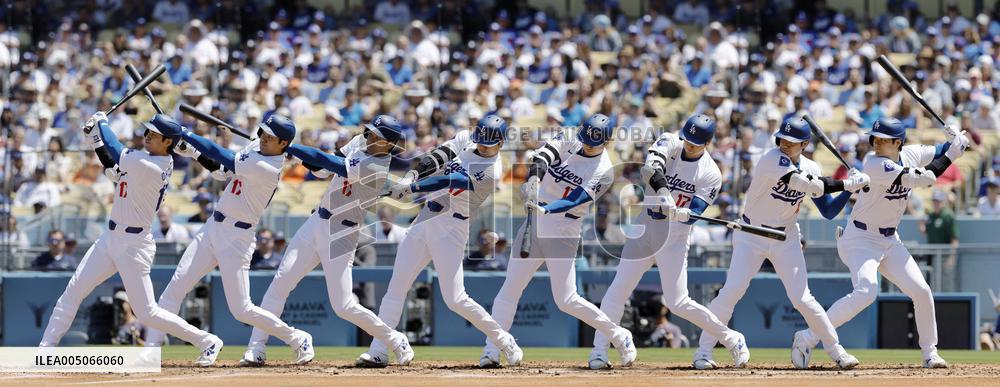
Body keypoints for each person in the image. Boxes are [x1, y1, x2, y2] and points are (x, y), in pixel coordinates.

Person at [40, 112, 222, 366]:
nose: (146, 136)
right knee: (73, 291)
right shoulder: (144, 161)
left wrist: (102, 124)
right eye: (146, 132)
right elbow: (111, 165)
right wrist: (96, 140)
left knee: (147, 312)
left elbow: (115, 150)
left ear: (167, 142)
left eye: (154, 134)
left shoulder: (150, 164)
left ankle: (206, 340)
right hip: (111, 237)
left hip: (134, 245)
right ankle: (45, 350)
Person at [794, 118, 971, 369]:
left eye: (883, 139)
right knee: (866, 292)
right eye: (874, 138)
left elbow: (940, 151)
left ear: (898, 142)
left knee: (922, 292)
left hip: (889, 240)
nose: (876, 142)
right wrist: (954, 152)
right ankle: (808, 337)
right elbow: (927, 179)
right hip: (859, 239)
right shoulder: (874, 163)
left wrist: (954, 139)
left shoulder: (910, 153)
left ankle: (930, 353)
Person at [695, 117, 868, 370]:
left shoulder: (812, 166)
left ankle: (836, 350)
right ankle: (703, 352)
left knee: (803, 299)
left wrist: (848, 190)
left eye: (792, 143)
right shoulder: (771, 159)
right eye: (783, 140)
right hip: (752, 233)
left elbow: (828, 211)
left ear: (805, 144)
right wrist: (847, 183)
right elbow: (808, 185)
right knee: (731, 292)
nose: (785, 145)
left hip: (786, 236)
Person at [241, 115, 413, 367]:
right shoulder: (360, 142)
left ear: (390, 144)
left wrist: (289, 146)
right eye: (370, 132)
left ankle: (396, 339)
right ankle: (256, 347)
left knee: (343, 305)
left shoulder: (377, 166)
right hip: (317, 221)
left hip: (342, 232)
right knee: (281, 282)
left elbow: (330, 163)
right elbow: (322, 169)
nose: (370, 138)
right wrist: (293, 153)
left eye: (378, 137)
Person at [144, 115, 315, 365]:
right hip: (213, 226)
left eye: (270, 137)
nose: (263, 139)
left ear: (283, 144)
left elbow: (223, 157)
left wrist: (187, 135)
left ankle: (297, 338)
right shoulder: (256, 150)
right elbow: (221, 172)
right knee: (176, 286)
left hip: (238, 237)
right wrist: (193, 152)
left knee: (241, 309)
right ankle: (152, 348)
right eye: (262, 133)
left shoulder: (269, 167)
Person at [362, 115, 523, 368]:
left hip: (452, 226)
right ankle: (379, 349)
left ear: (501, 143)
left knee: (455, 299)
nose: (481, 146)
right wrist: (411, 175)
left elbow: (450, 181)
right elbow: (438, 156)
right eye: (479, 140)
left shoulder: (492, 171)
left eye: (488, 143)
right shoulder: (466, 138)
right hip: (426, 217)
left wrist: (411, 188)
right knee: (397, 285)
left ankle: (503, 339)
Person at [589, 115, 748, 370]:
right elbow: (651, 168)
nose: (689, 145)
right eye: (688, 140)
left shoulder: (711, 174)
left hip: (673, 239)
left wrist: (684, 214)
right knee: (617, 291)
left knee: (678, 302)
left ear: (708, 143)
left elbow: (696, 209)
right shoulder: (671, 140)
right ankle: (599, 351)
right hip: (644, 230)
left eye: (696, 143)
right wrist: (664, 194)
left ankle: (731, 338)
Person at [482, 114, 637, 369]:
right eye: (585, 138)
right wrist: (533, 180)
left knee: (566, 299)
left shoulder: (604, 170)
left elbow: (576, 198)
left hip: (565, 226)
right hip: (535, 217)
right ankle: (492, 350)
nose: (587, 145)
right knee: (510, 287)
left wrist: (548, 208)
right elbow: (543, 157)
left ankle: (619, 335)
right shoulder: (569, 135)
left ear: (606, 142)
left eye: (593, 142)